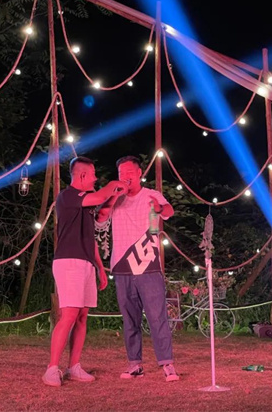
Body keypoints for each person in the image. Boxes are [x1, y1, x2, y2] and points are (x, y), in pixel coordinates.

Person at [42, 156, 128, 387]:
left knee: (82, 316)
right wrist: (114, 184)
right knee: (69, 314)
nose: (95, 178)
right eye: (92, 174)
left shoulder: (86, 202)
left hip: (86, 262)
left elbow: (94, 232)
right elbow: (100, 197)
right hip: (69, 261)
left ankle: (74, 366)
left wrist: (100, 267)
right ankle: (52, 368)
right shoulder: (68, 196)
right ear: (81, 175)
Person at [96, 155, 179, 382]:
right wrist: (114, 196)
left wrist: (159, 208)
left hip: (148, 263)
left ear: (140, 173)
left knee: (157, 316)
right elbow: (100, 220)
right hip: (121, 265)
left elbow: (169, 211)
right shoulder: (115, 198)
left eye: (129, 173)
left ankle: (167, 364)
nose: (125, 177)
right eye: (121, 174)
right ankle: (135, 364)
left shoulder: (151, 194)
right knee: (129, 318)